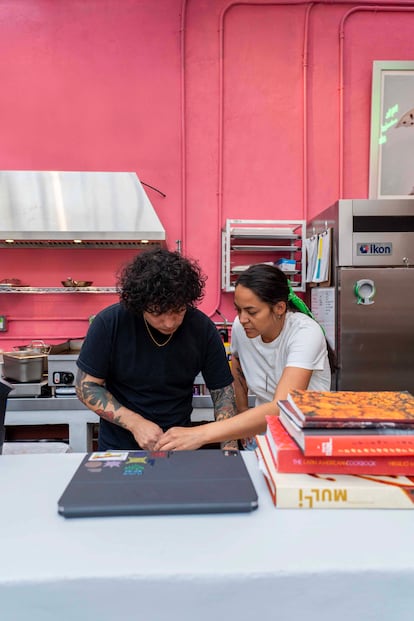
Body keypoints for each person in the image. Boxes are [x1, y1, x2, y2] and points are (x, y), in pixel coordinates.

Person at [155, 263, 331, 451]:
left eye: (252, 311)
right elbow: (237, 363)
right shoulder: (242, 327)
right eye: (238, 310)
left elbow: (282, 408)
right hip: (266, 435)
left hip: (308, 437)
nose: (242, 318)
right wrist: (243, 409)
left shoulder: (305, 333)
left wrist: (200, 434)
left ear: (279, 308)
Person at [75, 248, 237, 451]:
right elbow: (86, 387)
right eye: (158, 313)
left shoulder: (202, 329)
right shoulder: (110, 323)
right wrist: (134, 423)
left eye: (178, 311)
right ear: (140, 305)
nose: (169, 323)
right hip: (118, 448)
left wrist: (229, 448)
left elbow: (222, 392)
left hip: (178, 447)